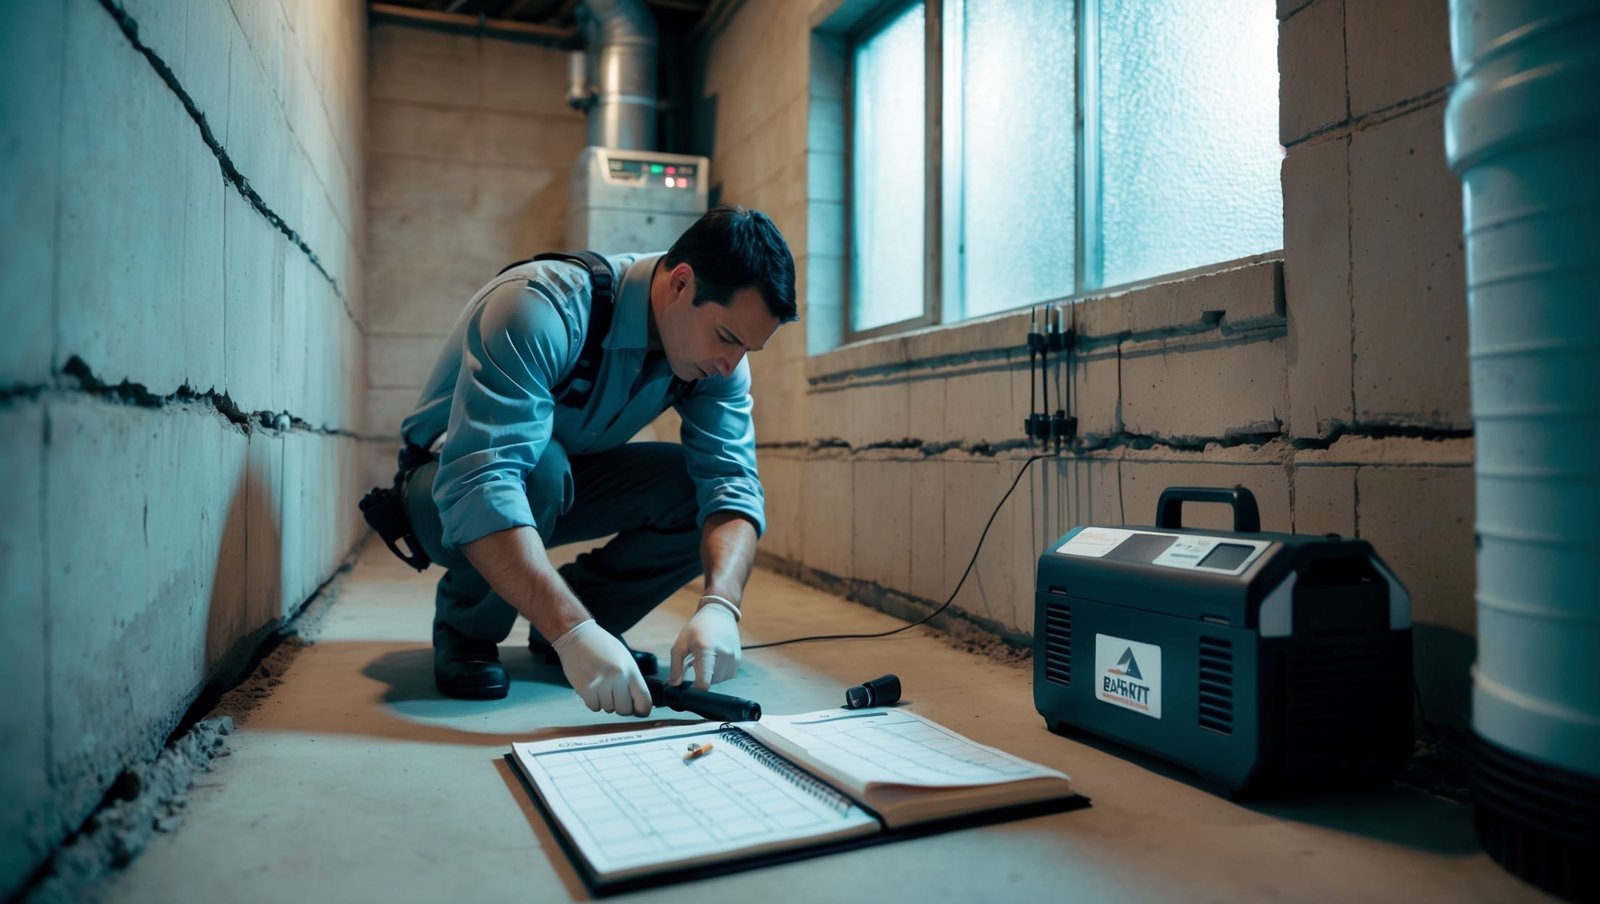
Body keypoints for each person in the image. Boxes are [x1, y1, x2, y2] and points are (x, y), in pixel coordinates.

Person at [395, 205, 797, 716]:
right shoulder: (539, 307)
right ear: (680, 284)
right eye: (726, 338)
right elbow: (482, 480)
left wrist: (721, 604)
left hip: (556, 476)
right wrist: (573, 634)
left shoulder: (715, 363)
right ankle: (468, 631)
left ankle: (583, 618)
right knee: (537, 468)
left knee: (691, 490)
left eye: (748, 350)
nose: (729, 365)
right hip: (442, 488)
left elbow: (733, 485)